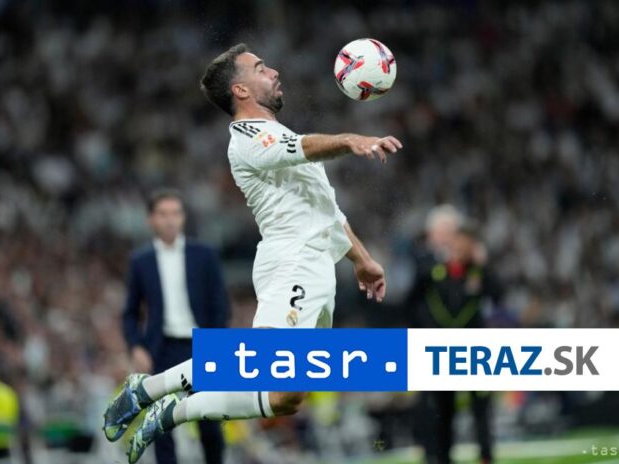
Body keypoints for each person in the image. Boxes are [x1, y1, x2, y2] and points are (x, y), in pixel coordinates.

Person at [103, 43, 403, 463]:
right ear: (240, 90)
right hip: (292, 262)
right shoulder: (246, 139)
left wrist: (362, 259)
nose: (274, 71)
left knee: (286, 398)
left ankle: (170, 413)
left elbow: (326, 211)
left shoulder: (281, 134)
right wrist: (351, 140)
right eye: (261, 68)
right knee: (260, 362)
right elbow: (304, 147)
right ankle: (147, 389)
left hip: (317, 267)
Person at [120, 189, 229, 464]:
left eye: (175, 213)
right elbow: (130, 312)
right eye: (163, 214)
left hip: (201, 346)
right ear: (151, 219)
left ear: (183, 217)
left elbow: (220, 304)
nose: (170, 220)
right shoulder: (140, 261)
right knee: (160, 427)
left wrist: (216, 344)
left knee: (210, 421)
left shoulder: (204, 255)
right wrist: (136, 346)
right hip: (161, 349)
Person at [406, 218, 501, 464]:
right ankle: (441, 457)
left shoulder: (476, 272)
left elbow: (497, 294)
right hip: (442, 351)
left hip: (475, 350)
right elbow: (413, 297)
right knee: (442, 409)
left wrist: (482, 266)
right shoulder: (435, 269)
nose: (459, 247)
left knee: (481, 408)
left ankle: (486, 456)